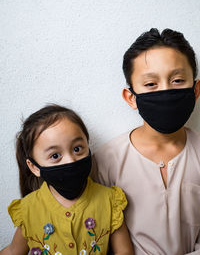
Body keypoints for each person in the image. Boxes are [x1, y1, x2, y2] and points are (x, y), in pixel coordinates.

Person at [93, 28, 200, 255]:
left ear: (196, 89)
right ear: (131, 97)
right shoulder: (105, 162)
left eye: (178, 80)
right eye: (151, 84)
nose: (165, 91)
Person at [0, 104, 134, 255]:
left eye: (77, 149)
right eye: (55, 156)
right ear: (34, 167)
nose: (71, 161)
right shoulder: (28, 210)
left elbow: (124, 251)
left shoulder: (110, 201)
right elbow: (13, 251)